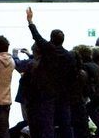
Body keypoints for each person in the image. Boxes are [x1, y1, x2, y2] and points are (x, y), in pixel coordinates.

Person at [24, 7, 76, 138]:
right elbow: (72, 77)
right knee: (65, 124)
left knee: (48, 124)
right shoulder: (69, 56)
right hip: (64, 94)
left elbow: (37, 36)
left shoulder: (48, 49)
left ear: (51, 39)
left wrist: (30, 21)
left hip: (48, 92)